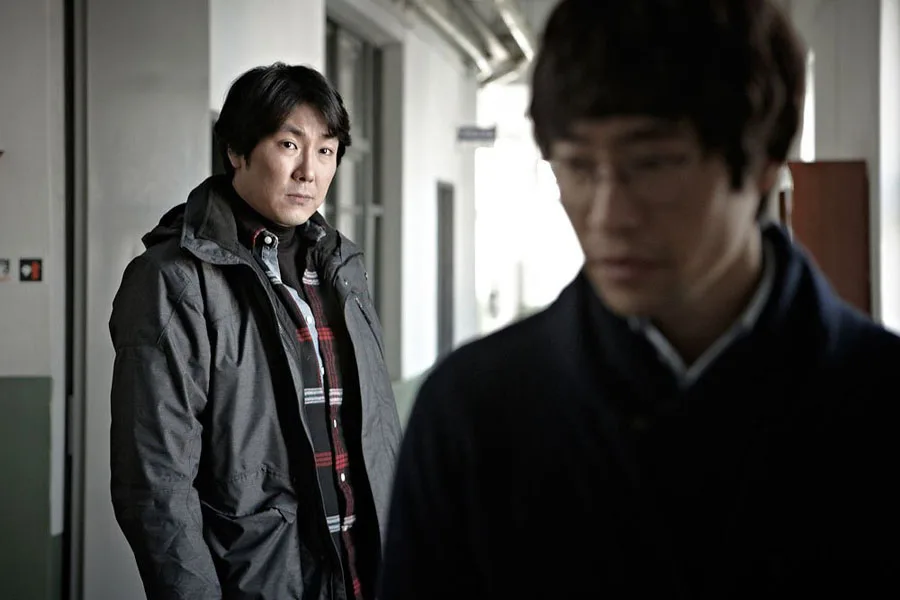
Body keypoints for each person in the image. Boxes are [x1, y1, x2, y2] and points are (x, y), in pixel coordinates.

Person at [379, 1, 900, 597]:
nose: (608, 215)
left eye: (652, 164)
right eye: (577, 166)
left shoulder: (880, 406)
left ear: (764, 161)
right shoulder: (471, 415)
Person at [109, 63, 401, 600]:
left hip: (364, 573)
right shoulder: (174, 281)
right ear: (237, 151)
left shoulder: (343, 267)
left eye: (326, 150)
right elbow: (154, 483)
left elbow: (379, 434)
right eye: (289, 145)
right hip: (258, 580)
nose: (309, 171)